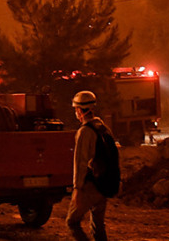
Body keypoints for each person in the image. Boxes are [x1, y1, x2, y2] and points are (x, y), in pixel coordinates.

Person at [66, 90, 111, 241]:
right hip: (104, 184)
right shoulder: (103, 127)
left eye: (75, 110)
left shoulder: (84, 131)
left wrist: (77, 189)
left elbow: (80, 162)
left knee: (72, 222)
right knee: (98, 224)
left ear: (79, 110)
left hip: (90, 186)